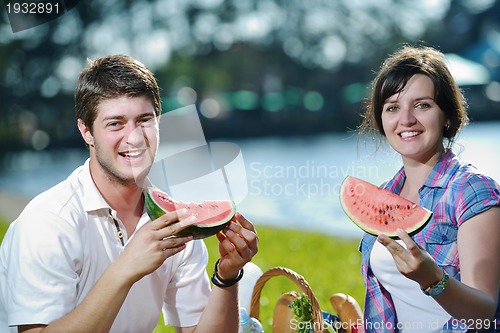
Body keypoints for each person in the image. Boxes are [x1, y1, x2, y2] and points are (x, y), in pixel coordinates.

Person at [0, 55, 259, 333]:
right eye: (115, 124)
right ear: (86, 131)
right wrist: (125, 269)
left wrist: (227, 276)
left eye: (145, 120)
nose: (134, 139)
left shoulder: (177, 223)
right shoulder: (48, 224)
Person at [357, 45, 500, 332]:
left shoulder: (472, 191)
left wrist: (433, 280)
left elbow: (484, 313)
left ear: (447, 115)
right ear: (382, 120)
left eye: (422, 105)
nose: (406, 119)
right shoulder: (384, 194)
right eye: (393, 107)